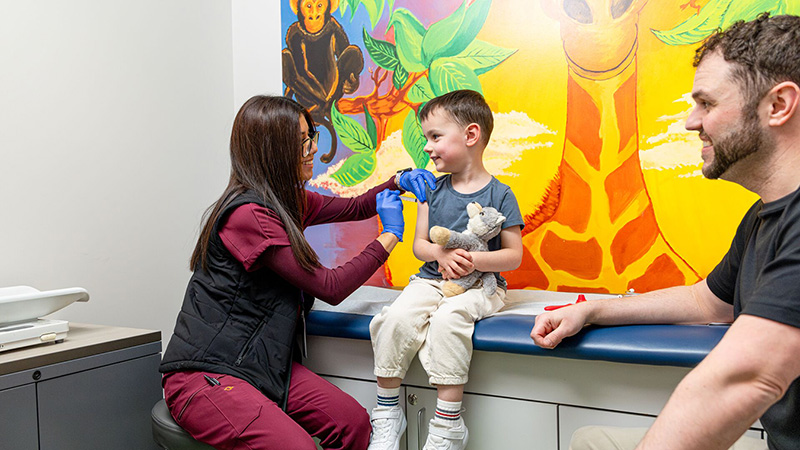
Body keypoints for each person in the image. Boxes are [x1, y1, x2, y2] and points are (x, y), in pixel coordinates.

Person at [530, 14, 800, 450]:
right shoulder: (762, 217)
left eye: (707, 104)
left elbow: (745, 378)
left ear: (778, 105)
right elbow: (706, 300)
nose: (691, 122)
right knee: (593, 441)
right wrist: (592, 311)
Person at [159, 95, 437, 450]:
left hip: (261, 365)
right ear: (273, 150)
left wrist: (396, 181)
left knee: (352, 424)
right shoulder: (248, 216)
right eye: (303, 141)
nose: (313, 148)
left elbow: (356, 206)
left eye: (312, 135)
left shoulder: (285, 202)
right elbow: (330, 286)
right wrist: (389, 237)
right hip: (206, 374)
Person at [367, 89, 525, 450]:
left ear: (471, 136)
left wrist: (474, 260)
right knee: (395, 319)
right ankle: (388, 414)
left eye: (435, 137)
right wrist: (440, 255)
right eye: (426, 138)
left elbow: (513, 256)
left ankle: (448, 425)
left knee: (448, 321)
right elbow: (420, 245)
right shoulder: (431, 190)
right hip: (432, 280)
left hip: (481, 287)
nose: (427, 147)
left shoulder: (501, 195)